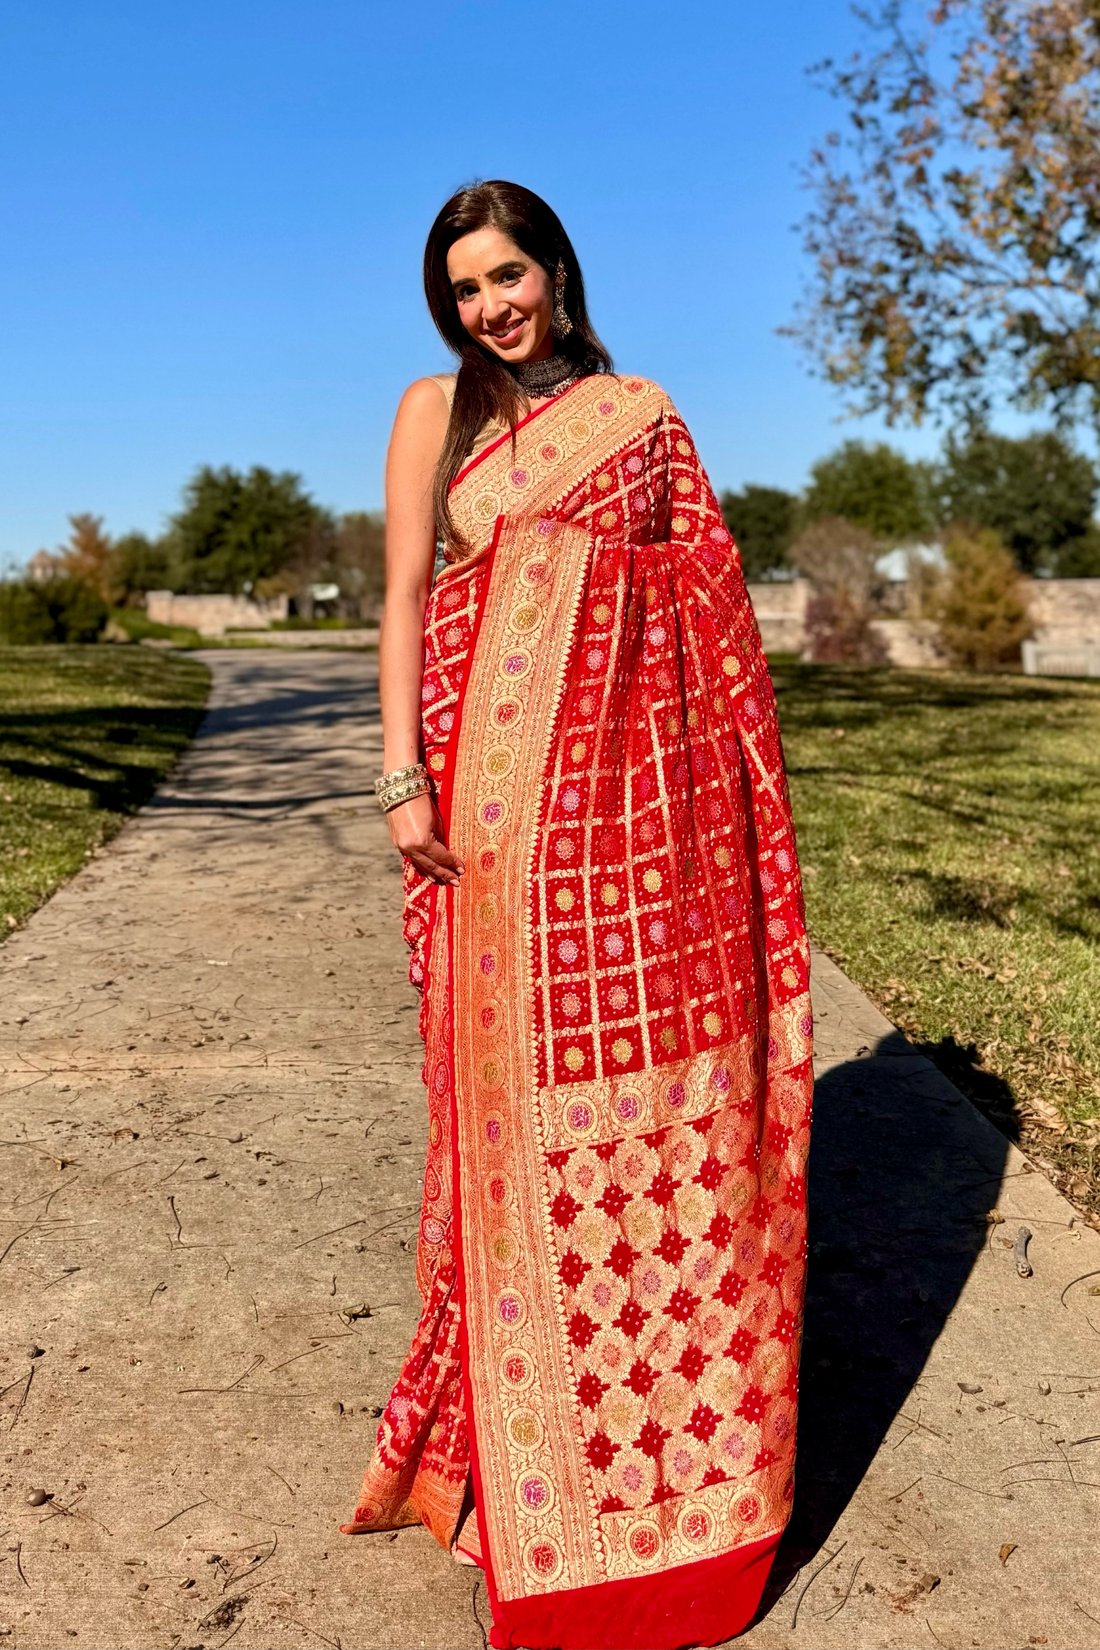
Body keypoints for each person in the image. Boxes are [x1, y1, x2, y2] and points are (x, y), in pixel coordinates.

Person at [341, 179, 813, 1650]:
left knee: (654, 1105)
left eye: (509, 275)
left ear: (556, 268)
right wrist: (399, 777)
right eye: (466, 286)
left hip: (635, 824)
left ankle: (676, 1510)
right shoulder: (439, 410)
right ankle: (506, 1459)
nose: (492, 305)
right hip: (486, 815)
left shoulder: (644, 417)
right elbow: (409, 595)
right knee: (496, 1115)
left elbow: (709, 607)